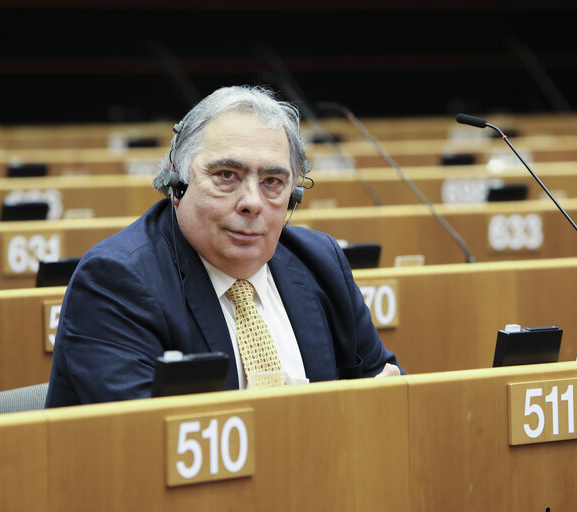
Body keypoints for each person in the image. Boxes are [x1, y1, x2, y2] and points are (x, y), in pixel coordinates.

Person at [45, 85, 401, 407]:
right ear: (176, 181)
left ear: (293, 195)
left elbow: (385, 389)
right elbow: (149, 444)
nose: (252, 202)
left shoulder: (320, 261)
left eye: (272, 181)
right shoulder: (116, 282)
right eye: (226, 176)